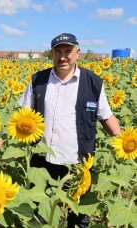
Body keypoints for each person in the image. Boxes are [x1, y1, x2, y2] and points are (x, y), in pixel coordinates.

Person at [19, 33, 121, 227]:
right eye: (58, 52)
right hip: (43, 162)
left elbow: (106, 116)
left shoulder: (92, 82)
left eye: (68, 51)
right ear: (52, 54)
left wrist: (122, 141)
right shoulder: (38, 80)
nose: (63, 56)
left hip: (79, 164)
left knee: (79, 216)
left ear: (78, 53)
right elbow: (23, 116)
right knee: (42, 215)